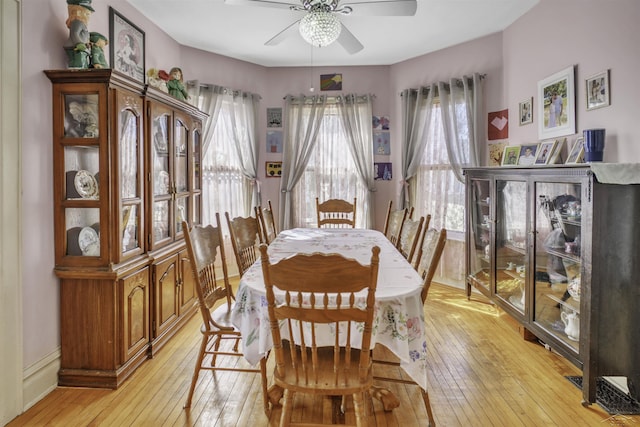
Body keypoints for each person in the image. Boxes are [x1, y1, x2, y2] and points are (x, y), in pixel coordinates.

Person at [64, 0, 93, 69]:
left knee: (82, 63)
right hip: (77, 48)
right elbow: (74, 33)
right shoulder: (77, 22)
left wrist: (87, 44)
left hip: (81, 48)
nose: (89, 17)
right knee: (79, 64)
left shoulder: (81, 23)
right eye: (87, 14)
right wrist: (79, 43)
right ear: (79, 12)